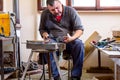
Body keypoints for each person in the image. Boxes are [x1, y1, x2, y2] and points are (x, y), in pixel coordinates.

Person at [39, 0, 84, 80]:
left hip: (69, 39)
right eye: (52, 10)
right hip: (53, 39)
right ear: (48, 9)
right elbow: (42, 29)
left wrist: (72, 38)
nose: (56, 11)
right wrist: (45, 34)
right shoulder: (45, 13)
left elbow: (79, 29)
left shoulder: (71, 11)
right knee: (49, 46)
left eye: (57, 8)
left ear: (61, 4)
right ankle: (56, 76)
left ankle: (75, 76)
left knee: (79, 44)